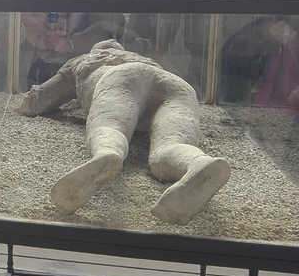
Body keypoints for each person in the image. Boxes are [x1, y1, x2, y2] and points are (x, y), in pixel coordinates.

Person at [21, 40, 231, 226]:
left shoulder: (84, 61)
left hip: (123, 80)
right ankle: (198, 163)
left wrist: (27, 102)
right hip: (177, 86)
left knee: (110, 127)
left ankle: (108, 153)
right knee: (169, 146)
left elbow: (41, 99)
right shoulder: (146, 61)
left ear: (96, 50)